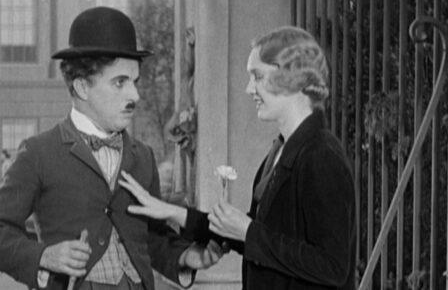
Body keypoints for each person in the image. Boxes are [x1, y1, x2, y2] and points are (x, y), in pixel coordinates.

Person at [0, 7, 222, 290]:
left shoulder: (142, 157)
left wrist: (187, 256)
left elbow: (150, 238)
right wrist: (44, 256)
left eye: (135, 82)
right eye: (120, 83)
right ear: (82, 87)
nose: (135, 95)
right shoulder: (39, 153)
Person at [119, 26, 356, 290]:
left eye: (257, 76)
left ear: (292, 76)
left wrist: (249, 232)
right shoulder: (282, 149)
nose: (248, 88)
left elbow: (333, 267)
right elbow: (256, 237)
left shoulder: (321, 155)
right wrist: (175, 213)